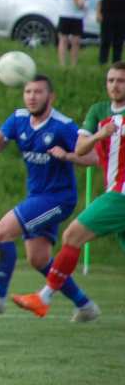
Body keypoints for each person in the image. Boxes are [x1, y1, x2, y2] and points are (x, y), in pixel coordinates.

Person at [0, 76, 99, 321]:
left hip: (59, 198)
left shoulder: (63, 126)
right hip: (37, 196)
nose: (32, 96)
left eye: (38, 92)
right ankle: (85, 305)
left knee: (3, 232)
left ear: (51, 97)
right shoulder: (18, 119)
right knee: (38, 259)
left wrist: (67, 156)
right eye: (28, 91)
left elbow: (93, 158)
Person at [13, 62, 125, 318]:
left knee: (73, 235)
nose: (115, 86)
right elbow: (82, 146)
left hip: (121, 193)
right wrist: (99, 136)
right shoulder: (99, 111)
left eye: (121, 81)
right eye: (111, 80)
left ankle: (43, 298)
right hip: (115, 190)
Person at [56, 0, 92, 67]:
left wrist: (81, 1)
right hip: (65, 13)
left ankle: (73, 64)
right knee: (63, 39)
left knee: (76, 41)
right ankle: (62, 64)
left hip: (77, 14)